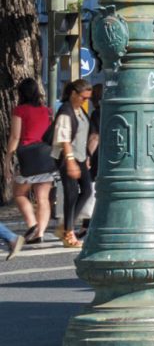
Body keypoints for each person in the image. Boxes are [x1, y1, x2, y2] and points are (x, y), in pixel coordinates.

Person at [6, 78, 58, 250]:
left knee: (19, 193)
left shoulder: (19, 110)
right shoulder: (48, 111)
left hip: (27, 155)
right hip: (45, 155)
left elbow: (15, 137)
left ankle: (32, 223)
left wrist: (7, 160)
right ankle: (40, 234)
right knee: (43, 198)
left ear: (21, 93)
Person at [51, 79, 94, 248]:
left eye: (88, 98)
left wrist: (87, 156)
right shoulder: (65, 111)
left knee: (87, 190)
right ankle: (69, 234)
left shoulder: (79, 111)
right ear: (73, 94)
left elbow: (83, 134)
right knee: (71, 195)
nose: (85, 101)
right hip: (67, 157)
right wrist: (70, 162)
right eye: (83, 97)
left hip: (80, 156)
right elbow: (64, 139)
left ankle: (65, 226)